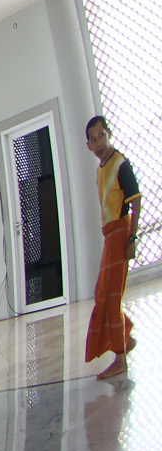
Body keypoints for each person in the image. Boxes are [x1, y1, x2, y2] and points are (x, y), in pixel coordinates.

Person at [85, 116, 142, 380]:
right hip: (110, 236)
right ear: (88, 145)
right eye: (93, 140)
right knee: (102, 293)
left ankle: (120, 359)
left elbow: (135, 202)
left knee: (110, 297)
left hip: (120, 234)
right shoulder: (100, 168)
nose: (98, 143)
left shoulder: (120, 163)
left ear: (109, 134)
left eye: (101, 136)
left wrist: (132, 239)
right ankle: (125, 338)